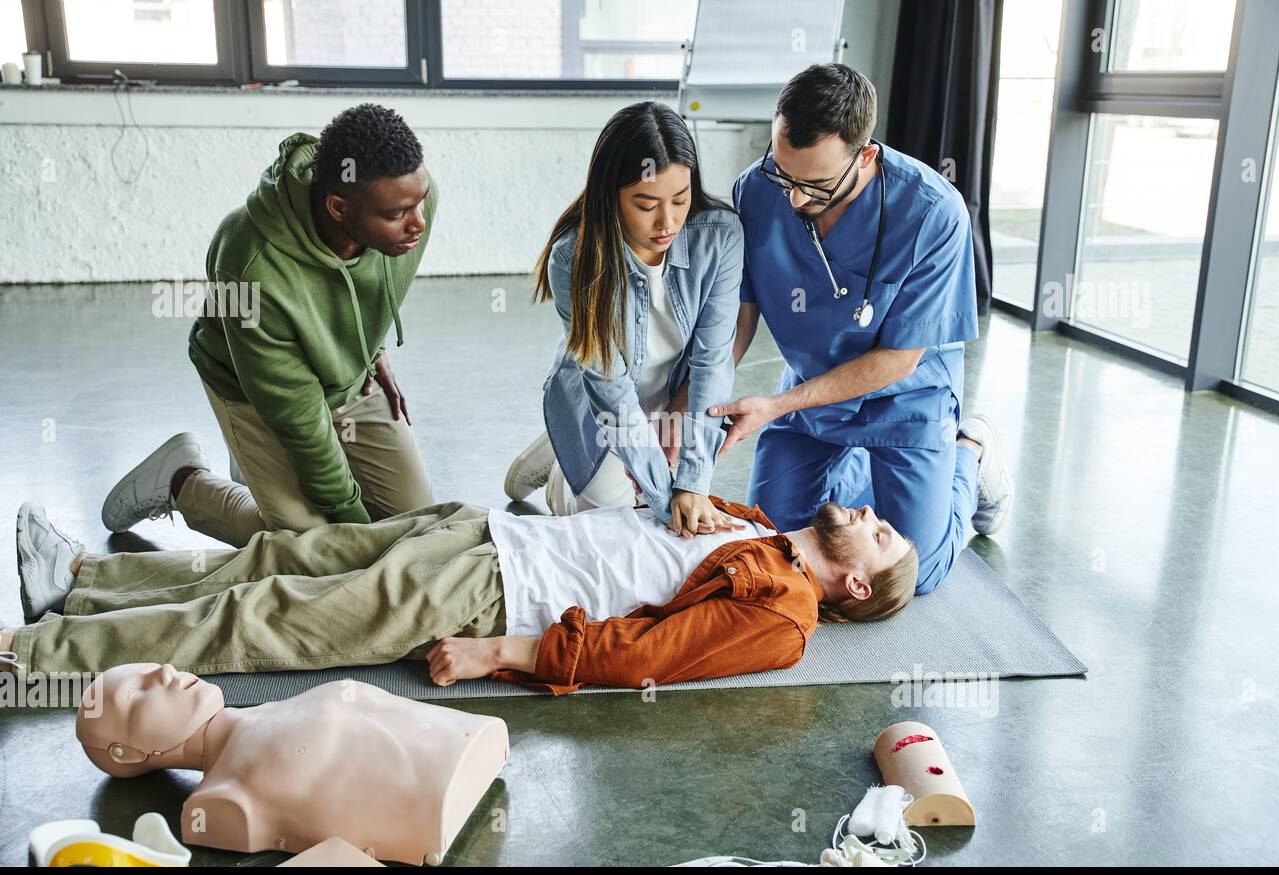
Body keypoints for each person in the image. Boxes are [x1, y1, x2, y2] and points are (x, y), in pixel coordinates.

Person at [4, 491, 919, 696]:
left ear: (854, 583)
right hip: (484, 530)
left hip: (493, 590)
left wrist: (503, 653)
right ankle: (83, 582)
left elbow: (649, 657)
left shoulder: (786, 617)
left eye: (881, 536)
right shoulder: (757, 524)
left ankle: (32, 656)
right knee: (276, 556)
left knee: (265, 616)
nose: (871, 515)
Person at [712, 64, 1015, 595]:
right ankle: (855, 464)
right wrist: (697, 401)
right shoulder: (757, 190)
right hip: (812, 391)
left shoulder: (934, 213)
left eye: (816, 185)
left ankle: (969, 451)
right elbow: (740, 315)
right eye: (783, 173)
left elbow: (898, 359)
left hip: (906, 399)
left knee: (912, 572)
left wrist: (776, 407)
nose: (794, 199)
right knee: (778, 543)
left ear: (866, 156)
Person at [99, 103, 438, 549]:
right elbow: (300, 417)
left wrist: (372, 351)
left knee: (419, 529)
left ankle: (276, 489)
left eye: (420, 200)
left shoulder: (410, 200)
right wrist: (351, 535)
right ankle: (181, 481)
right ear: (339, 207)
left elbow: (357, 289)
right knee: (313, 547)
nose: (418, 222)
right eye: (397, 214)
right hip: (253, 387)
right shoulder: (249, 264)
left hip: (347, 376)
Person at [501, 101, 743, 538]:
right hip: (599, 405)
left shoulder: (721, 236)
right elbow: (611, 391)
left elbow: (712, 363)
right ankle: (563, 452)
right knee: (608, 525)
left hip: (664, 404)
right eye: (646, 204)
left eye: (681, 199)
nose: (667, 222)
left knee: (666, 508)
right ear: (610, 194)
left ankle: (568, 445)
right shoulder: (572, 258)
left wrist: (692, 483)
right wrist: (665, 496)